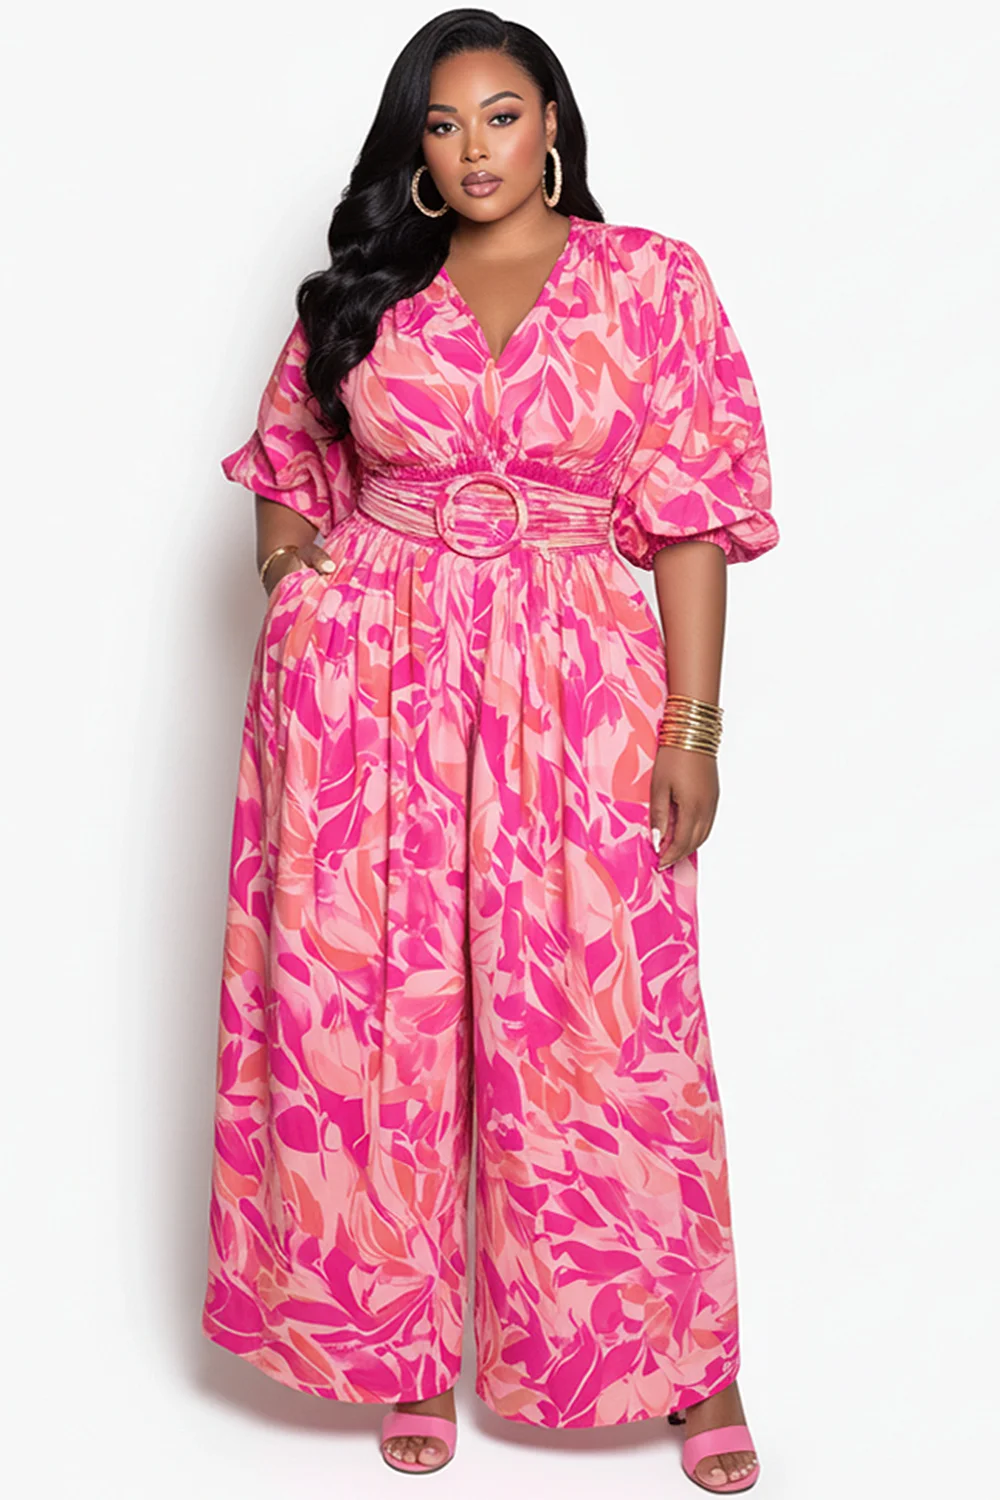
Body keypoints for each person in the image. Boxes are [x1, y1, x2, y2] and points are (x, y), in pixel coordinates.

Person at [201, 10, 778, 1493]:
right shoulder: (369, 291)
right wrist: (295, 590)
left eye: (502, 116)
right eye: (444, 124)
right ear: (414, 149)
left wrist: (692, 723)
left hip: (577, 683)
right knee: (379, 1012)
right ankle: (397, 1345)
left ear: (553, 124)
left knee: (611, 1021)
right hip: (373, 690)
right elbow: (286, 464)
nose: (474, 149)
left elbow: (693, 514)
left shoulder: (650, 282)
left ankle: (686, 1364)